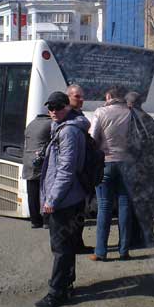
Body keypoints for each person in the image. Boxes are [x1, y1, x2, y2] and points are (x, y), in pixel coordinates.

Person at [36, 91, 89, 307]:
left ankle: (56, 293)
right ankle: (67, 284)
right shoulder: (66, 126)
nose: (54, 111)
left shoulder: (67, 132)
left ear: (67, 106)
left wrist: (52, 200)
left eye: (58, 107)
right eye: (50, 108)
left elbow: (66, 170)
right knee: (67, 246)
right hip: (72, 197)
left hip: (64, 200)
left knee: (60, 248)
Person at [89, 85, 132, 261]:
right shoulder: (131, 113)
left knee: (104, 207)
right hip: (127, 164)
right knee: (125, 206)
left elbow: (91, 138)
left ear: (108, 96)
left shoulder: (101, 112)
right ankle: (124, 251)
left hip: (106, 163)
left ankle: (101, 252)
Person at [125, 91, 154, 248]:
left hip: (133, 166)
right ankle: (148, 234)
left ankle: (135, 236)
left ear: (129, 103)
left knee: (133, 202)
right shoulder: (149, 119)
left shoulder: (127, 119)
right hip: (149, 167)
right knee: (146, 202)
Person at [66, 84, 94, 254]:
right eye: (77, 96)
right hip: (74, 172)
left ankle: (77, 242)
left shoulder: (78, 114)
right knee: (73, 212)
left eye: (82, 96)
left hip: (82, 171)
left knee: (80, 210)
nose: (81, 99)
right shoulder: (69, 116)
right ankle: (72, 244)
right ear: (68, 96)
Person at [22, 113, 52, 228]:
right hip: (41, 161)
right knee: (45, 191)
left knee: (32, 192)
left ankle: (35, 220)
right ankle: (47, 220)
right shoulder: (50, 124)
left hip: (29, 160)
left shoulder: (31, 124)